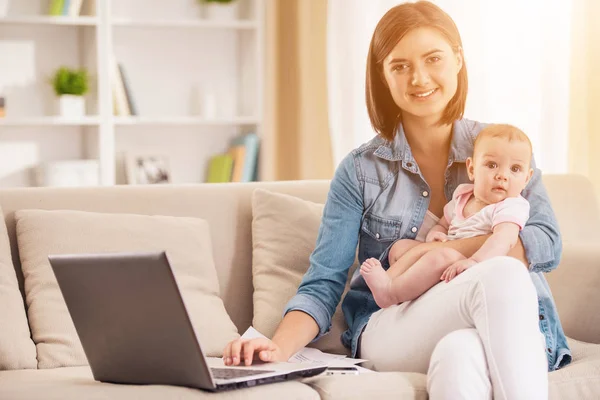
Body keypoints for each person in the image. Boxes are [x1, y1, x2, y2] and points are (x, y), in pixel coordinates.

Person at [223, 2, 572, 399]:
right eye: (400, 65)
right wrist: (277, 348)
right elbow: (324, 283)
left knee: (460, 354)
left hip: (500, 322)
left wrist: (441, 252)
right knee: (504, 271)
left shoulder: (505, 150)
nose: (419, 77)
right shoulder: (359, 171)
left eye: (433, 58)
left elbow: (544, 242)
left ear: (458, 59)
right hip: (395, 326)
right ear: (383, 76)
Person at [360, 124, 535, 309]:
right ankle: (390, 282)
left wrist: (475, 261)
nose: (502, 176)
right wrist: (436, 233)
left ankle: (391, 293)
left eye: (515, 169)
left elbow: (504, 240)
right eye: (492, 165)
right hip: (448, 257)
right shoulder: (463, 196)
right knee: (400, 247)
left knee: (442, 255)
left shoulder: (510, 206)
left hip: (476, 268)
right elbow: (444, 224)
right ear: (472, 169)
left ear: (527, 179)